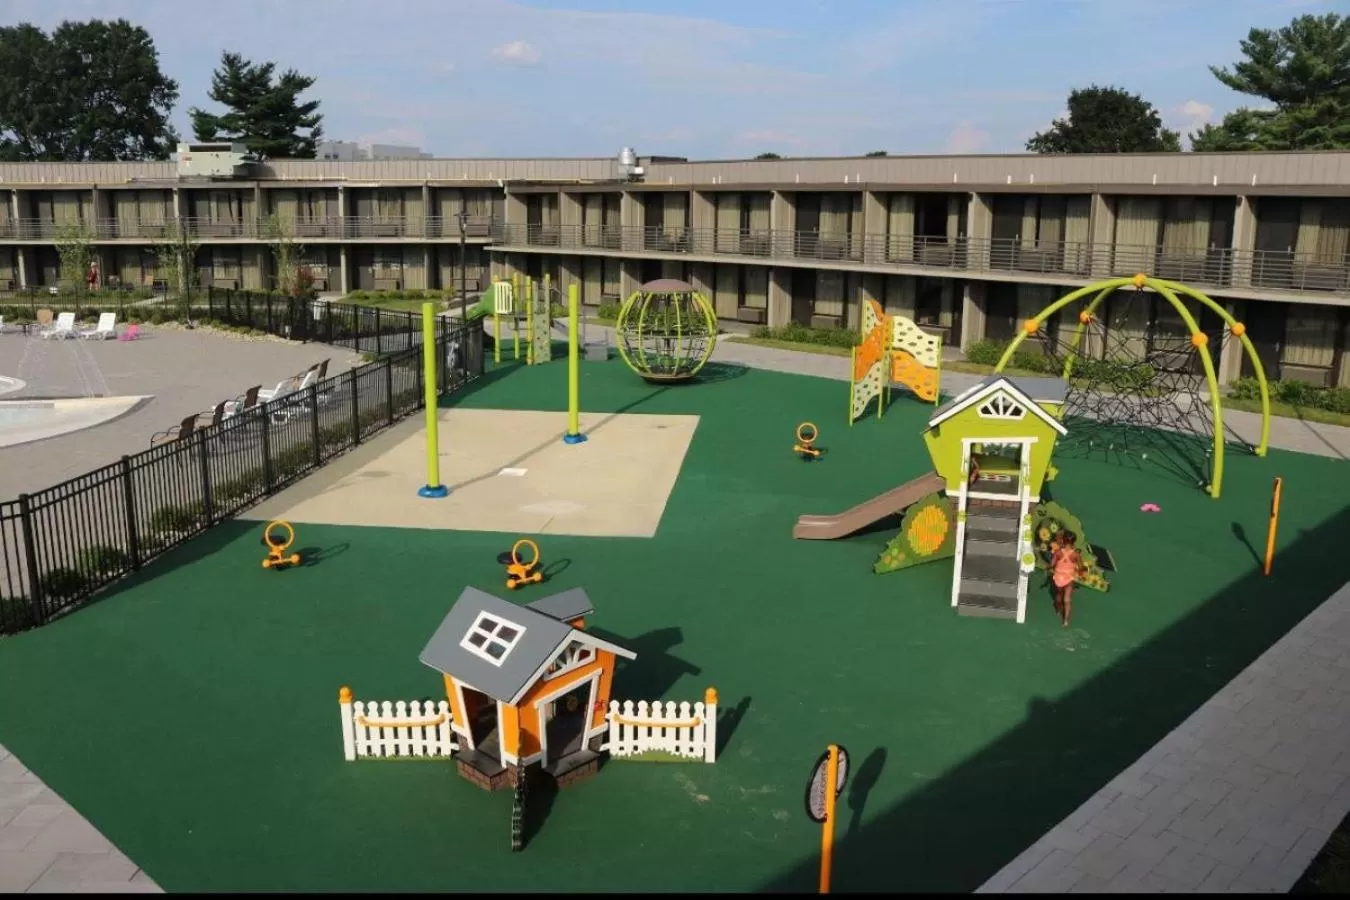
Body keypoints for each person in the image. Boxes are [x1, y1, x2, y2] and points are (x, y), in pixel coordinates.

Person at [1050, 532, 1083, 628]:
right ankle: (1065, 621)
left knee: (1059, 594)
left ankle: (1058, 609)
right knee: (1067, 600)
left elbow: (1052, 565)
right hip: (1068, 578)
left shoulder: (1058, 552)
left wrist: (1047, 568)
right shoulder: (1076, 554)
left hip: (1059, 577)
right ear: (1074, 542)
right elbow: (1081, 567)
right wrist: (1079, 571)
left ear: (1063, 540)